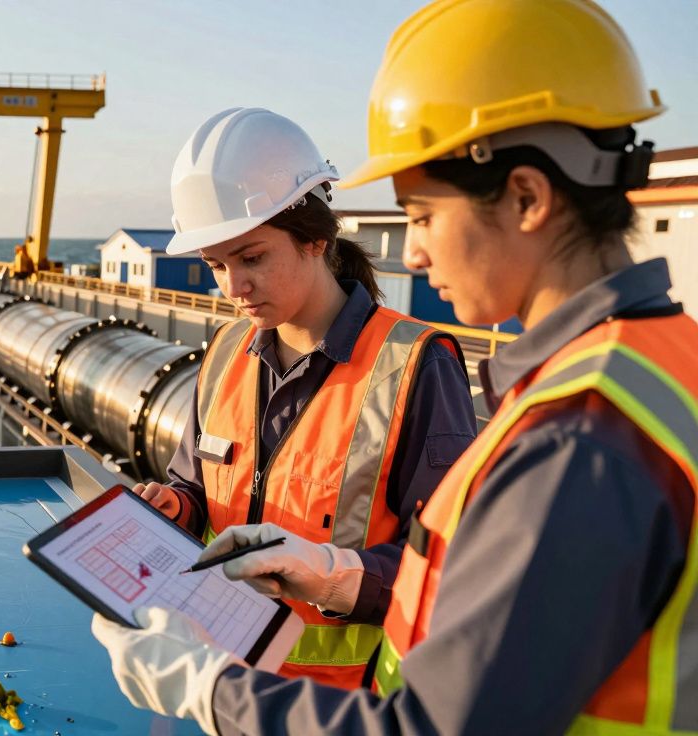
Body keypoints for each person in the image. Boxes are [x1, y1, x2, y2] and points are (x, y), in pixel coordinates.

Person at [92, 1, 698, 734]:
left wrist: (207, 690)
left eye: (421, 216)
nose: (410, 255)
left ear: (528, 197)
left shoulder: (578, 436)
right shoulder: (654, 364)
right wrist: (327, 569)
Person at [133, 107, 476, 691]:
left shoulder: (415, 364)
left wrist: (332, 578)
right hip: (223, 683)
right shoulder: (223, 352)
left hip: (344, 707)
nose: (233, 287)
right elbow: (198, 489)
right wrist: (176, 506)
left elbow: (452, 571)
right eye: (215, 265)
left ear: (315, 237)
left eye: (252, 257)